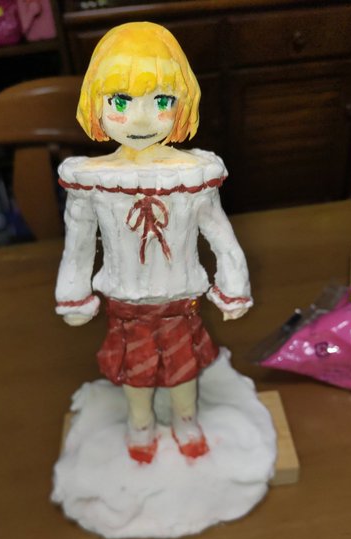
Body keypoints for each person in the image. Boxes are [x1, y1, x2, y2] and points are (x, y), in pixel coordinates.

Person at [55, 21, 252, 464]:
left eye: (161, 101)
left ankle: (186, 419)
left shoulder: (194, 178)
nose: (142, 120)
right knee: (136, 374)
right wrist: (73, 294)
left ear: (183, 103)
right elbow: (78, 244)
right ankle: (140, 423)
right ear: (95, 103)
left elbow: (220, 235)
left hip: (180, 300)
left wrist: (233, 285)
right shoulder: (91, 182)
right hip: (125, 303)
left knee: (183, 370)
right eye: (121, 101)